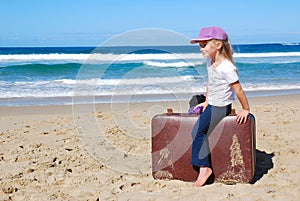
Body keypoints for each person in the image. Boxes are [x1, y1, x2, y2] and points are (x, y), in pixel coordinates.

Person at [189, 26, 250, 187]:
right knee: (194, 101)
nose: (201, 49)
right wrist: (206, 101)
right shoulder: (210, 61)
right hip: (213, 103)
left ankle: (204, 167)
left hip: (221, 107)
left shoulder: (227, 67)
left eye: (204, 45)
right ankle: (202, 103)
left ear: (218, 45)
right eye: (200, 46)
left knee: (197, 131)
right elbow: (210, 83)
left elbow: (238, 89)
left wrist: (245, 109)